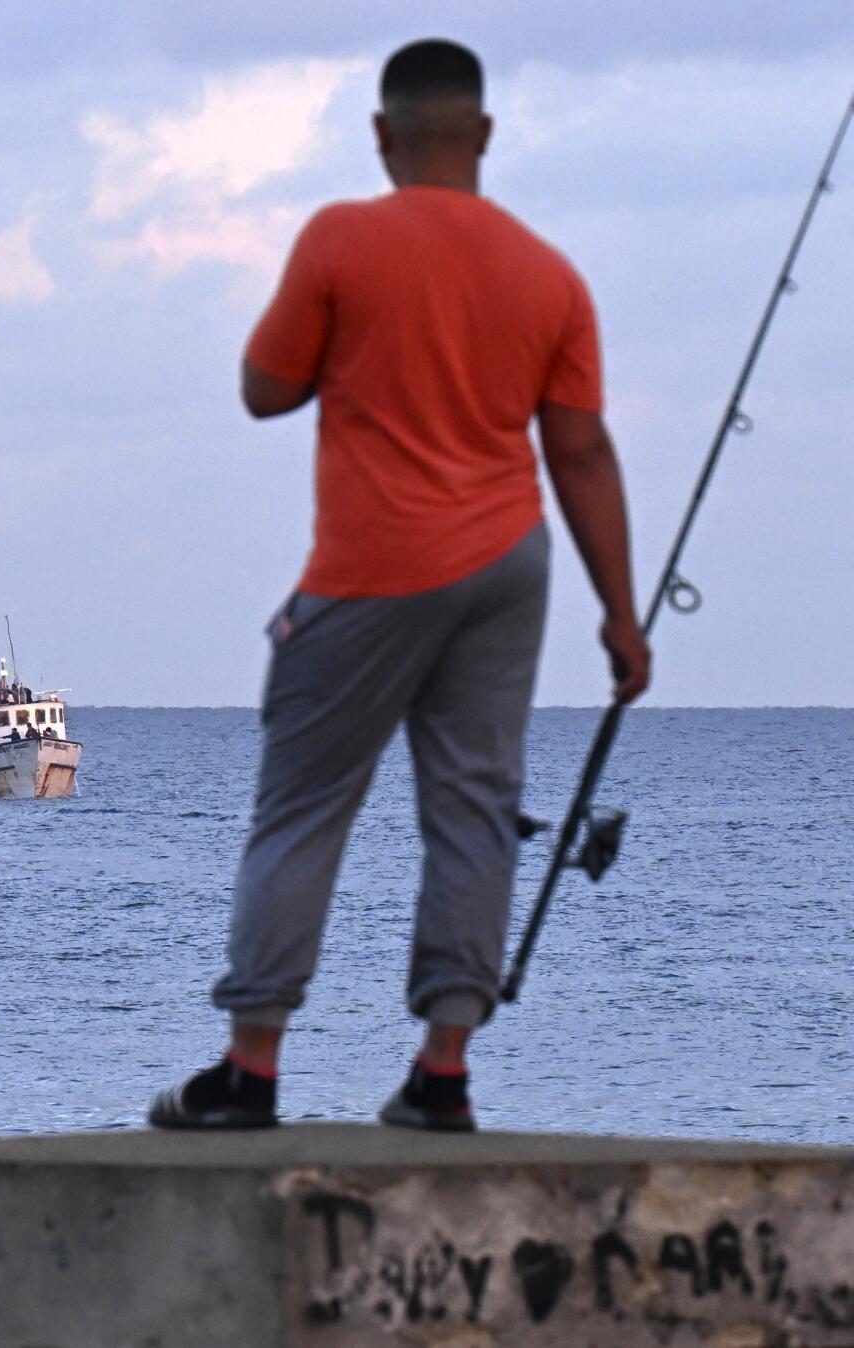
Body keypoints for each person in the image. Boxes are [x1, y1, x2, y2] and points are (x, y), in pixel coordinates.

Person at [150, 39, 650, 1133]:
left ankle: (250, 1070)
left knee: (301, 809)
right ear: (484, 134)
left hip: (373, 563)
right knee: (474, 810)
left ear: (382, 135)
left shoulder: (342, 238)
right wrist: (621, 614)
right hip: (509, 560)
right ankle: (443, 1074)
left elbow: (264, 389)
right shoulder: (549, 273)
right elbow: (578, 451)